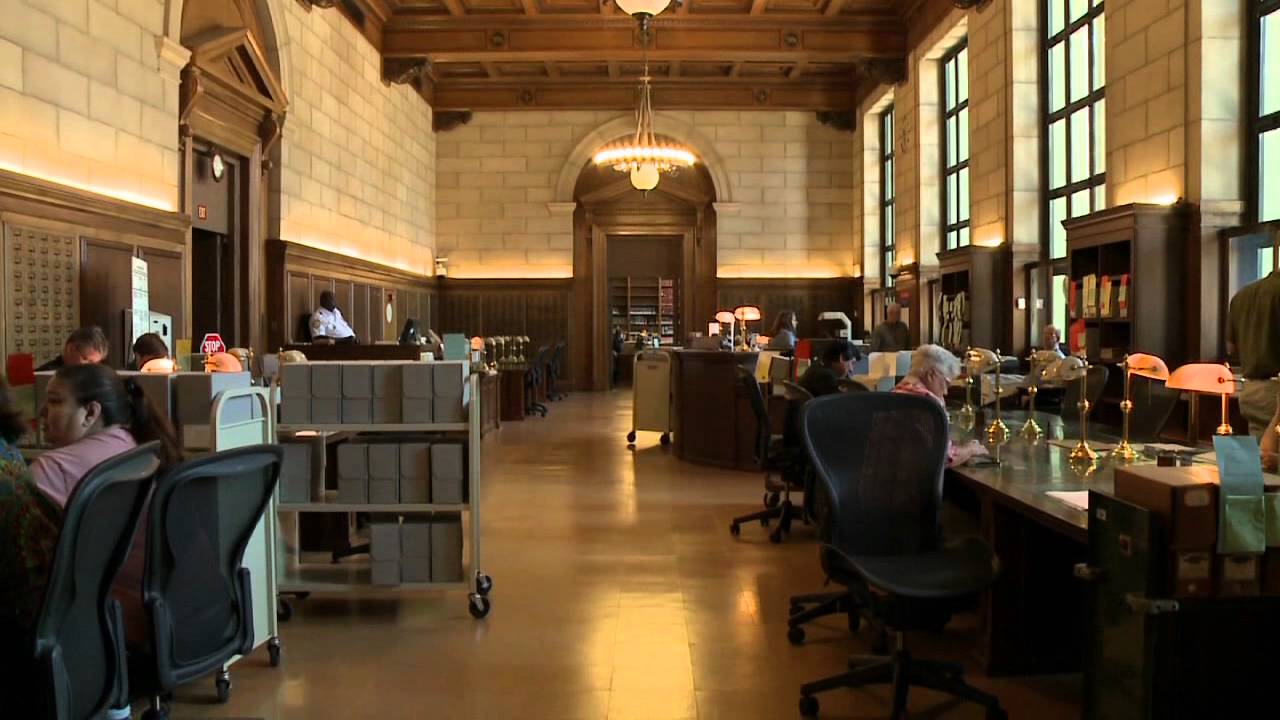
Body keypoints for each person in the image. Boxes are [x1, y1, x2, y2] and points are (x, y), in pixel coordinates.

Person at [31, 363, 182, 646]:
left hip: (107, 621)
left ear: (91, 412)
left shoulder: (53, 468)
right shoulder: (133, 445)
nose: (42, 413)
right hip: (162, 613)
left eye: (54, 402)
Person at [893, 344, 989, 467]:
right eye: (946, 383)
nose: (946, 392)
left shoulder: (895, 393)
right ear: (931, 374)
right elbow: (945, 458)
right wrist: (971, 449)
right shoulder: (928, 404)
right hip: (915, 483)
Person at [1227, 270, 1280, 437]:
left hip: (1251, 391)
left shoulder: (1242, 295)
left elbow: (1230, 348)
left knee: (1261, 459)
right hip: (1276, 393)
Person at [36, 325, 110, 371]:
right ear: (71, 349)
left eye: (96, 363)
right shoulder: (45, 375)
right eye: (87, 360)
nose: (91, 368)